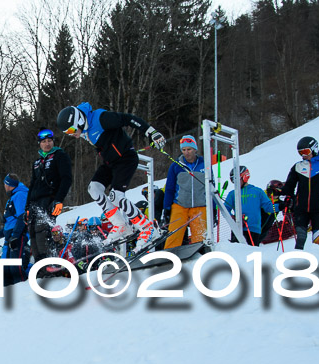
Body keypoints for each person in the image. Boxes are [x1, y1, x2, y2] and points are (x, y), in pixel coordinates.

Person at [57, 103, 165, 252]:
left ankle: (148, 228)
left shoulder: (101, 119)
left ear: (79, 121)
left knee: (116, 196)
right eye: (67, 133)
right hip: (111, 163)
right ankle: (121, 225)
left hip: (126, 159)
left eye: (71, 130)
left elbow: (128, 119)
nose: (71, 135)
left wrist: (151, 132)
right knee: (94, 188)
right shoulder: (85, 129)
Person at [281, 136, 319, 250]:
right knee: (301, 235)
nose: (303, 155)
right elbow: (289, 185)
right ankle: (298, 256)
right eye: (300, 153)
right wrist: (286, 196)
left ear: (314, 149)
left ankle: (317, 256)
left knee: (317, 235)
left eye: (306, 151)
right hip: (301, 207)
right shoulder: (298, 167)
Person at [26, 128, 73, 261]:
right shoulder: (37, 162)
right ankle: (40, 265)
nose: (47, 144)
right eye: (44, 141)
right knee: (33, 232)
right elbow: (32, 185)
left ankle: (49, 262)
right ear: (39, 144)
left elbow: (66, 179)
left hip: (50, 199)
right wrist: (27, 207)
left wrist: (59, 200)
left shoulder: (60, 155)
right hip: (34, 202)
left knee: (43, 230)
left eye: (49, 141)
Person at [162, 135, 208, 249]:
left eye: (189, 149)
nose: (186, 152)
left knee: (200, 237)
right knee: (174, 234)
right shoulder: (176, 165)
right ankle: (168, 256)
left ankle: (199, 255)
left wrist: (213, 209)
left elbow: (210, 188)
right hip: (180, 205)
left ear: (195, 149)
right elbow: (169, 188)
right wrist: (167, 208)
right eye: (184, 150)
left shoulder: (205, 165)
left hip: (200, 206)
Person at [0, 174, 30, 285]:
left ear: (9, 185)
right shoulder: (12, 197)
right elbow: (10, 223)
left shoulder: (20, 195)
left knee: (14, 268)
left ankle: (22, 289)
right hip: (9, 237)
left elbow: (22, 217)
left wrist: (15, 236)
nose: (4, 186)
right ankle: (6, 293)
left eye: (5, 184)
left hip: (17, 236)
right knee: (5, 269)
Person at [224, 166, 278, 246]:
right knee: (237, 253)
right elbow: (225, 210)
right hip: (238, 229)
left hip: (254, 229)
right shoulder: (232, 194)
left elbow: (269, 207)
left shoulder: (257, 191)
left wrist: (280, 206)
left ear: (245, 177)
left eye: (237, 179)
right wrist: (232, 218)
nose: (235, 183)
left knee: (251, 253)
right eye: (233, 180)